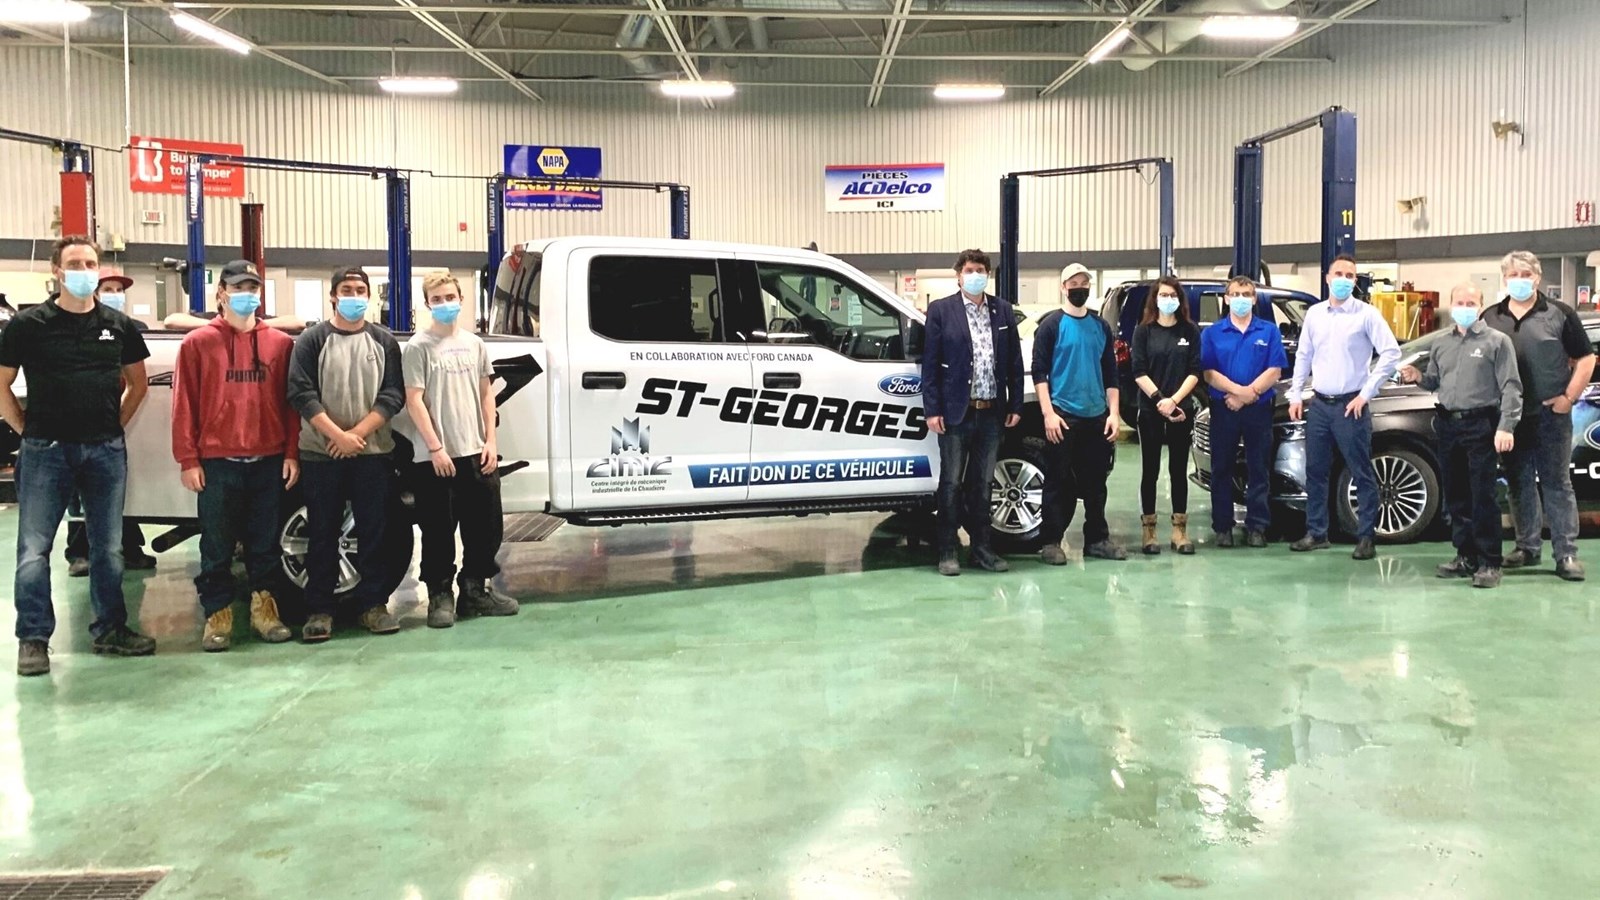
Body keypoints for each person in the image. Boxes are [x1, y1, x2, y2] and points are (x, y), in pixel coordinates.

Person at [0, 236, 156, 676]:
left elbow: (138, 384)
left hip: (104, 452)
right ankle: (33, 639)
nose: (84, 270)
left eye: (90, 263)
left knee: (108, 548)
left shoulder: (118, 326)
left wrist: (114, 426)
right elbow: (2, 384)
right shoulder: (28, 325)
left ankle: (110, 629)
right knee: (34, 549)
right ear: (56, 271)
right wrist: (24, 429)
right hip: (45, 452)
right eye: (75, 263)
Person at [172, 260, 301, 652]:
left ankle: (265, 611)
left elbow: (290, 405)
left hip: (267, 460)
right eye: (238, 287)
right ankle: (218, 614)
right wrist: (188, 459)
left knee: (265, 544)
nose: (246, 295)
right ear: (221, 294)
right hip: (217, 462)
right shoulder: (197, 344)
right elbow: (184, 405)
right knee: (216, 546)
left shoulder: (280, 344)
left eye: (252, 288)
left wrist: (290, 452)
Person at [286, 266, 405, 642]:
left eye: (360, 290)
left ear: (368, 296)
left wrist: (356, 435)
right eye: (347, 290)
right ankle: (319, 610)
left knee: (374, 531)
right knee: (322, 532)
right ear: (333, 297)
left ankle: (374, 606)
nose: (354, 296)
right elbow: (300, 392)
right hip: (322, 454)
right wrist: (337, 436)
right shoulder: (312, 340)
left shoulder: (383, 341)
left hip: (373, 453)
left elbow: (393, 395)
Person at [401, 273, 519, 627]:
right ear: (427, 304)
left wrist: (490, 442)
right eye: (437, 299)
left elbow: (486, 394)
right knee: (438, 530)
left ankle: (474, 591)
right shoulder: (418, 347)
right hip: (435, 458)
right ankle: (440, 596)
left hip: (476, 453)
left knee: (485, 527)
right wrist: (435, 447)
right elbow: (414, 401)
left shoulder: (475, 344)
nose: (445, 304)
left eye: (450, 297)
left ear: (461, 299)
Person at [1481, 251, 1595, 581]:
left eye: (1526, 274)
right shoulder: (1490, 317)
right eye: (1513, 275)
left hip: (1550, 415)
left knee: (1556, 484)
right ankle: (1527, 547)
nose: (1520, 280)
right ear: (1505, 279)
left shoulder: (1560, 313)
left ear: (1538, 277)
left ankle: (1566, 554)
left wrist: (1568, 398)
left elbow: (1586, 359)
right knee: (1518, 483)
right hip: (1510, 418)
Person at [1398, 284, 1521, 588]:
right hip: (1448, 425)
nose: (1464, 307)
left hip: (1481, 425)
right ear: (1451, 305)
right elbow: (1434, 381)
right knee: (1456, 496)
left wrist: (1506, 426)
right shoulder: (1441, 343)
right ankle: (1465, 556)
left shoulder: (1497, 342)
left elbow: (1511, 387)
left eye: (1470, 302)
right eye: (1459, 302)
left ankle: (1489, 562)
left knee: (1483, 496)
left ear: (1481, 306)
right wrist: (1418, 377)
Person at [1287, 254, 1401, 560]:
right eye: (1338, 274)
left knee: (1361, 471)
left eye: (1350, 275)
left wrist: (1366, 394)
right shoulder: (1314, 314)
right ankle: (1317, 532)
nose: (1344, 279)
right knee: (1315, 471)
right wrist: (1296, 394)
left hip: (1351, 407)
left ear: (1355, 281)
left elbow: (1391, 353)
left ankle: (1366, 537)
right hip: (1320, 405)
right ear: (1327, 278)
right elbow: (1304, 355)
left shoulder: (1366, 315)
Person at [919, 249, 1024, 576]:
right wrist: (932, 409)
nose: (975, 275)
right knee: (951, 483)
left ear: (987, 275)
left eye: (980, 270)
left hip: (991, 412)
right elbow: (930, 364)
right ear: (959, 276)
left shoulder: (1002, 310)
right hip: (956, 413)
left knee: (983, 484)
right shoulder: (941, 311)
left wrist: (1016, 404)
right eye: (969, 270)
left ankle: (982, 549)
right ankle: (948, 550)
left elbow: (1015, 361)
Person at [1032, 262, 1126, 564]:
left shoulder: (1100, 327)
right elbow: (1039, 372)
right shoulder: (1051, 326)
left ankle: (1097, 540)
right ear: (1063, 288)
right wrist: (1048, 413)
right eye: (1073, 284)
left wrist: (1113, 414)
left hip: (1097, 417)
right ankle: (1051, 542)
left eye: (1084, 283)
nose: (1079, 288)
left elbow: (1111, 374)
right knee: (1057, 482)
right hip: (1063, 416)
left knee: (1096, 485)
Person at [64, 272, 156, 575]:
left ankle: (129, 547)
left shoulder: (131, 328)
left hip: (117, 421)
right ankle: (79, 551)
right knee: (82, 491)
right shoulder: (76, 326)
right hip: (80, 423)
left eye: (119, 289)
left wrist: (117, 422)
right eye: (108, 288)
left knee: (120, 488)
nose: (115, 294)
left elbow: (138, 379)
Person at [1200, 276, 1287, 548]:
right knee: (1222, 468)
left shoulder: (1268, 331)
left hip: (1258, 408)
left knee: (1259, 468)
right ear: (1226, 299)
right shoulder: (1212, 333)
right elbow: (1208, 373)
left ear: (1254, 299)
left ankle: (1257, 526)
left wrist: (1251, 393)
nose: (1241, 299)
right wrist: (1238, 392)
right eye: (1235, 294)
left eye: (1246, 294)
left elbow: (1275, 370)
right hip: (1224, 408)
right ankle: (1222, 527)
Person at [1130, 276, 1202, 555]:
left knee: (1178, 469)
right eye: (1163, 295)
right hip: (1151, 410)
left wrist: (1174, 401)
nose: (1168, 299)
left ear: (1179, 300)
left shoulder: (1190, 331)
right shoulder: (1143, 331)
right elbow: (1138, 371)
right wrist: (1160, 399)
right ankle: (1149, 531)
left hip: (1180, 410)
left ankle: (1179, 530)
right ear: (1155, 299)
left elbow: (1194, 371)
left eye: (1173, 295)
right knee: (1150, 470)